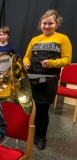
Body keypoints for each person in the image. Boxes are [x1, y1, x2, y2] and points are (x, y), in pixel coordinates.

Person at [23, 10, 72, 150]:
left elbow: (67, 60)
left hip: (48, 81)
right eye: (44, 23)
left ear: (56, 23)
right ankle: (33, 134)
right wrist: (27, 63)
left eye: (50, 23)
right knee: (32, 109)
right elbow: (27, 57)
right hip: (32, 79)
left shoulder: (63, 38)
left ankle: (41, 137)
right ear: (41, 24)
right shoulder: (34, 39)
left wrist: (51, 63)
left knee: (43, 111)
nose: (47, 26)